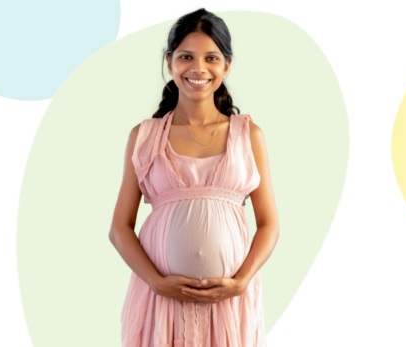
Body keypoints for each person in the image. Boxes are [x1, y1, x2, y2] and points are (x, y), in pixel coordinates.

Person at [108, 8, 279, 347]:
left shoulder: (248, 135)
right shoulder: (144, 137)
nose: (198, 68)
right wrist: (156, 282)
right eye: (186, 56)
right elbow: (119, 228)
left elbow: (269, 224)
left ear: (226, 66)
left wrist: (242, 281)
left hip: (228, 304)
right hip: (161, 303)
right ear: (170, 62)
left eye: (211, 58)